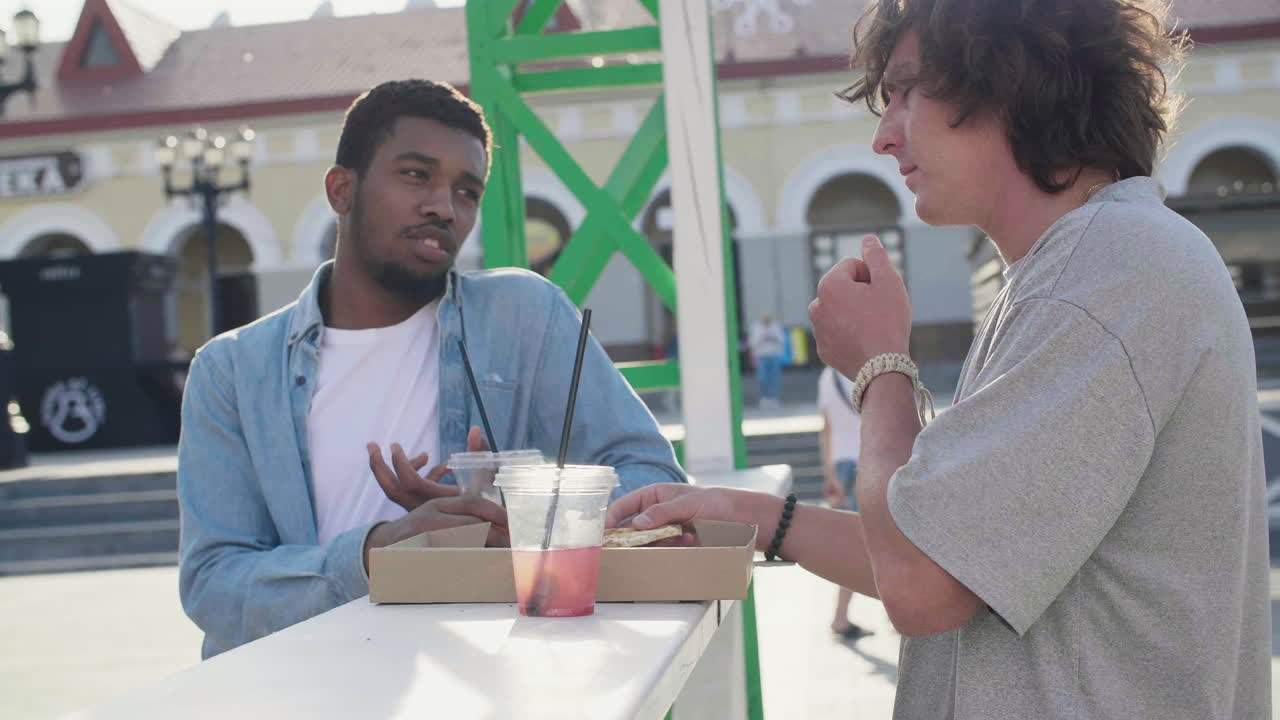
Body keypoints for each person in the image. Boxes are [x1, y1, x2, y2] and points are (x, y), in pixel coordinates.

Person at [608, 0, 1271, 717]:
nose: (884, 137)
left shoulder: (1104, 276)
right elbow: (945, 550)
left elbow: (923, 586)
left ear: (1008, 80)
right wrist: (749, 515)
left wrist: (880, 369)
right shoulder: (1085, 267)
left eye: (905, 91)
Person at [177, 79, 685, 658]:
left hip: (487, 675)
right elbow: (212, 584)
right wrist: (379, 554)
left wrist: (516, 523)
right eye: (416, 175)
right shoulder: (233, 370)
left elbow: (653, 481)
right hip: (298, 685)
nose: (444, 208)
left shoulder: (523, 315)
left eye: (467, 191)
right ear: (342, 190)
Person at [817, 365, 866, 641]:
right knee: (863, 546)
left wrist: (830, 475)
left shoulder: (828, 377)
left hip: (841, 467)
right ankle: (840, 617)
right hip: (865, 465)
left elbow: (826, 429)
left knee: (851, 544)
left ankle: (841, 615)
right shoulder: (868, 369)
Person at [748, 312, 785, 407]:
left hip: (774, 355)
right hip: (761, 356)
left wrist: (773, 337)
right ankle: (764, 398)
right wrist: (762, 338)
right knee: (762, 378)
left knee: (774, 379)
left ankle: (774, 398)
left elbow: (782, 340)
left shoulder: (775, 327)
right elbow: (752, 343)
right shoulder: (757, 327)